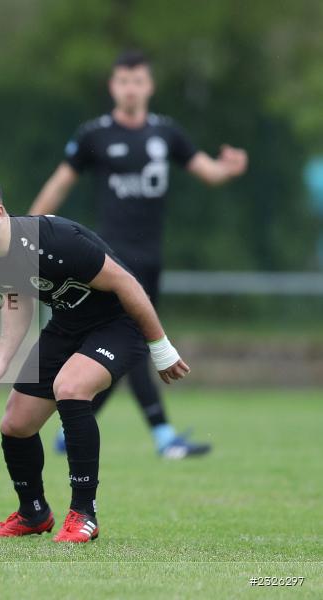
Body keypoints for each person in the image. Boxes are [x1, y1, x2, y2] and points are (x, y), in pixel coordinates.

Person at [0, 168, 189, 543]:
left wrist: (161, 347)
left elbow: (126, 282)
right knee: (15, 424)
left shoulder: (55, 239)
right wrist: (1, 361)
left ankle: (84, 514)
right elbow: (17, 300)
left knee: (71, 387)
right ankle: (33, 513)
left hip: (118, 324)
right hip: (67, 325)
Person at [29, 50, 247, 458]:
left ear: (150, 86)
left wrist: (227, 169)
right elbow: (61, 181)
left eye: (138, 82)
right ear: (113, 87)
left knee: (132, 346)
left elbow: (207, 171)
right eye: (123, 82)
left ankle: (72, 425)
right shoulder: (95, 135)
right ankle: (164, 437)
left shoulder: (167, 134)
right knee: (143, 340)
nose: (131, 89)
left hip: (150, 257)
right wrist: (29, 227)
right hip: (110, 259)